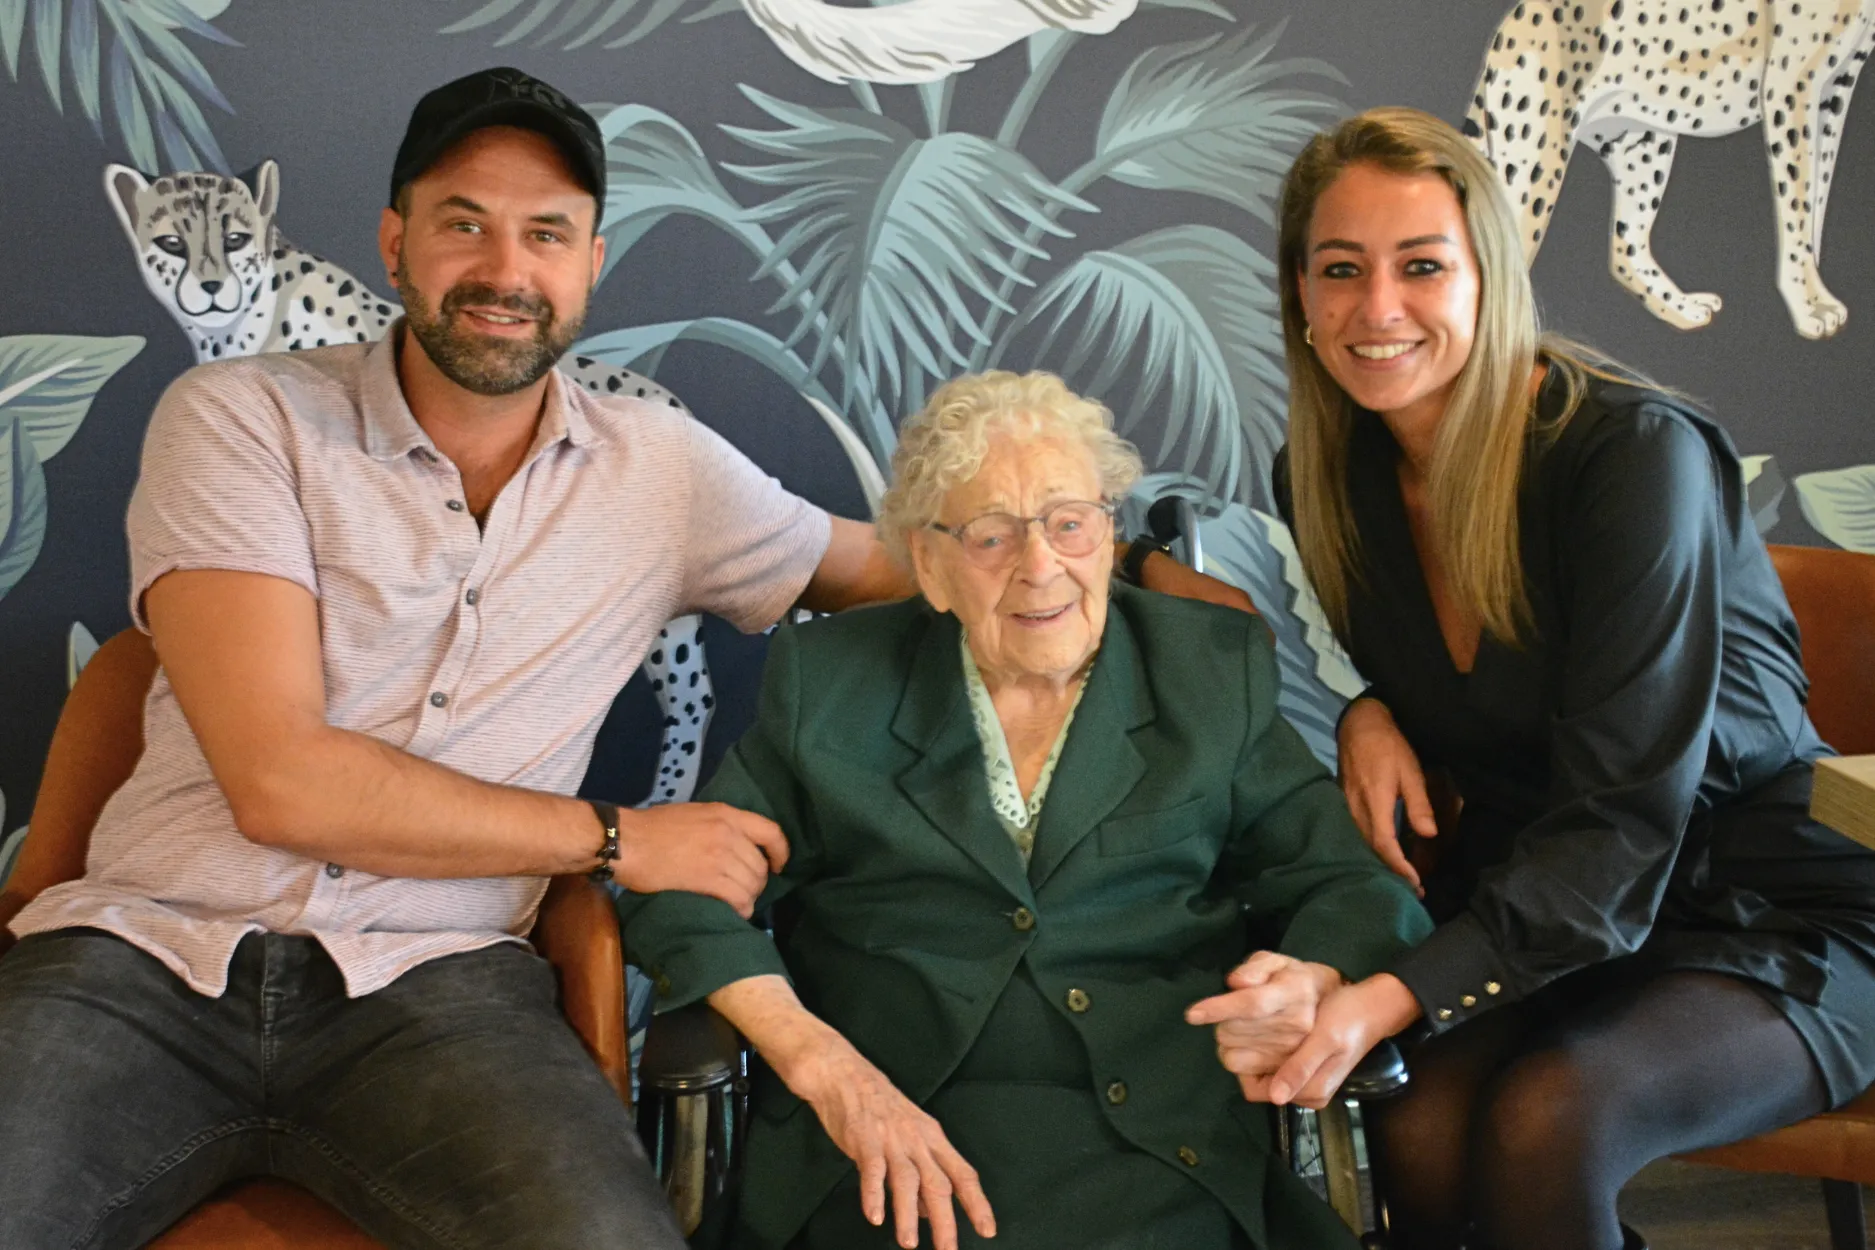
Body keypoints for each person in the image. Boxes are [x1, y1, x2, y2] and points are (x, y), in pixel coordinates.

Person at [618, 369, 1433, 1250]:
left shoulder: (1206, 673)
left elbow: (1351, 889)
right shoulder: (832, 686)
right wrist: (826, 1069)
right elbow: (684, 895)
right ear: (928, 566)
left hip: (1157, 1148)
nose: (1040, 566)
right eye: (990, 537)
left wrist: (1305, 980)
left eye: (1067, 524)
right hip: (890, 1150)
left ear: (1106, 533)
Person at [1260, 106, 1875, 1250]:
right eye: (1340, 269)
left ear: (1491, 274)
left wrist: (1393, 993)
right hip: (1561, 908)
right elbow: (1162, 528)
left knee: (1549, 1116)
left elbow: (1624, 814)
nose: (1376, 309)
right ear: (1299, 290)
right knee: (1422, 1121)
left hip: (1773, 904)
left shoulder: (1631, 456)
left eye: (1422, 266)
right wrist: (1365, 702)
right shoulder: (1324, 473)